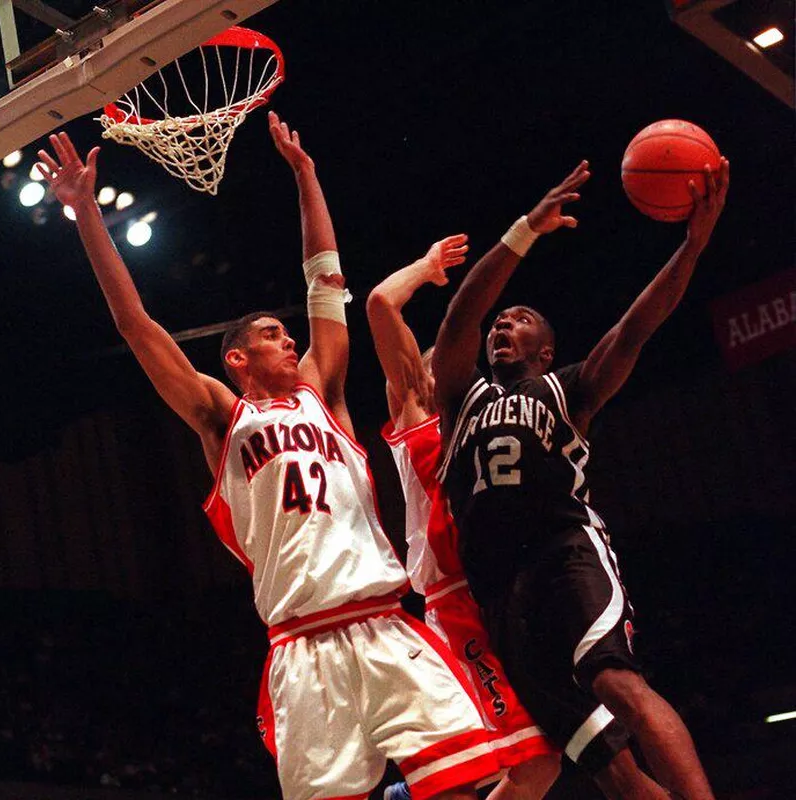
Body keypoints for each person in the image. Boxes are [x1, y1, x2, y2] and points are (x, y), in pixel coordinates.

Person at [36, 116, 503, 800]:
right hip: (302, 646)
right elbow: (136, 326)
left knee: (469, 786)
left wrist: (306, 176)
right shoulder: (222, 416)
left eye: (289, 335)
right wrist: (85, 217)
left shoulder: (325, 395)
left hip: (381, 621)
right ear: (237, 358)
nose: (289, 342)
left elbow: (325, 278)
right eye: (271, 335)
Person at [431, 157, 729, 799]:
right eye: (500, 321)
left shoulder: (567, 387)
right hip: (499, 592)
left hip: (563, 551)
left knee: (615, 681)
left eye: (520, 318)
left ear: (544, 349)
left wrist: (692, 248)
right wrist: (522, 233)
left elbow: (637, 327)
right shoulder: (460, 400)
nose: (502, 323)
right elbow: (459, 320)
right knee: (605, 762)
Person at [367, 236, 563, 800]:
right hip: (454, 602)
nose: (440, 372)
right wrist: (426, 269)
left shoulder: (484, 424)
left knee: (534, 765)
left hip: (504, 593)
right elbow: (381, 303)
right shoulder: (415, 417)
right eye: (429, 363)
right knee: (530, 768)